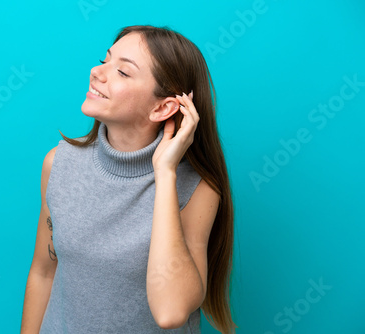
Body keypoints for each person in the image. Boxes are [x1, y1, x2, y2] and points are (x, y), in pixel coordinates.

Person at [20, 25, 236, 333]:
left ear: (163, 107)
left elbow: (171, 312)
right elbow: (43, 272)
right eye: (105, 60)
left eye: (122, 72)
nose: (98, 72)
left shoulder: (197, 189)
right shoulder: (58, 164)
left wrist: (164, 173)